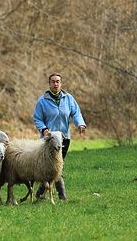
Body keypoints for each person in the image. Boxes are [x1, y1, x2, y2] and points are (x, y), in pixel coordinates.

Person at [32, 72, 86, 200]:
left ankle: (41, 193)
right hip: (49, 140)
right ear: (49, 84)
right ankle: (61, 195)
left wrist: (80, 124)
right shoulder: (42, 101)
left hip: (64, 139)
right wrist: (44, 129)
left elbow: (76, 113)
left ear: (61, 83)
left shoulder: (68, 98)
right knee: (52, 166)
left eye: (58, 81)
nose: (55, 84)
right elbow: (37, 118)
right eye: (53, 81)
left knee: (57, 166)